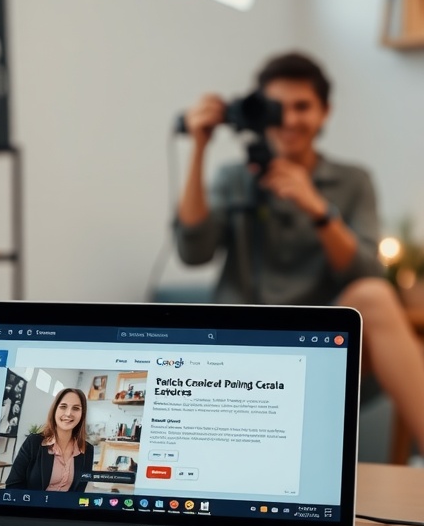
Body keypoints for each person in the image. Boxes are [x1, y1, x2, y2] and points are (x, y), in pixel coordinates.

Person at [175, 50, 424, 459]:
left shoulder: (352, 180)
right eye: (277, 107)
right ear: (258, 112)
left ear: (325, 112)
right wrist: (199, 148)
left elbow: (368, 273)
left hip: (320, 346)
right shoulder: (234, 178)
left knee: (374, 297)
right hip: (240, 348)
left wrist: (317, 207)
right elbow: (192, 251)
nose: (289, 120)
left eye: (302, 107)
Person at [5, 388, 94, 491]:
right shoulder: (33, 442)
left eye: (76, 408)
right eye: (63, 406)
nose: (69, 413)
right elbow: (13, 485)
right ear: (55, 410)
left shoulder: (87, 450)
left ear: (82, 414)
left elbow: (79, 492)